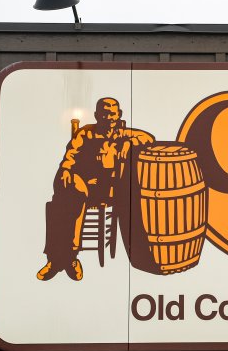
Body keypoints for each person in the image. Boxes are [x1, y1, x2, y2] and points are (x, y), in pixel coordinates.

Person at [36, 97, 154, 281]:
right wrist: (66, 170)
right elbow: (70, 156)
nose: (108, 118)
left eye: (112, 113)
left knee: (65, 201)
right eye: (104, 114)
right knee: (59, 202)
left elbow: (149, 139)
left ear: (119, 115)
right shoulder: (86, 133)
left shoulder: (125, 135)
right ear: (97, 115)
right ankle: (62, 259)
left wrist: (129, 143)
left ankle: (63, 259)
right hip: (84, 187)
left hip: (112, 191)